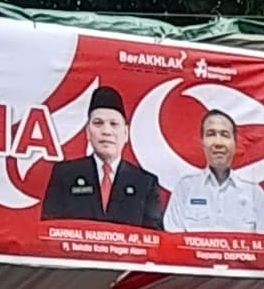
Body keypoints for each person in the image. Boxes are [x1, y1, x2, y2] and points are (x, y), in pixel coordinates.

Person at [39, 84, 168, 226]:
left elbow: (154, 238)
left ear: (125, 133)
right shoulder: (65, 174)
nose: (106, 131)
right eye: (98, 123)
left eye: (114, 124)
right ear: (88, 132)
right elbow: (49, 230)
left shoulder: (145, 183)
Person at [165, 105, 264, 241]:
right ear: (202, 142)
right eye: (211, 134)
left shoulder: (255, 193)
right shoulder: (185, 188)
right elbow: (173, 242)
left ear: (235, 144)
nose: (218, 142)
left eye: (225, 135)